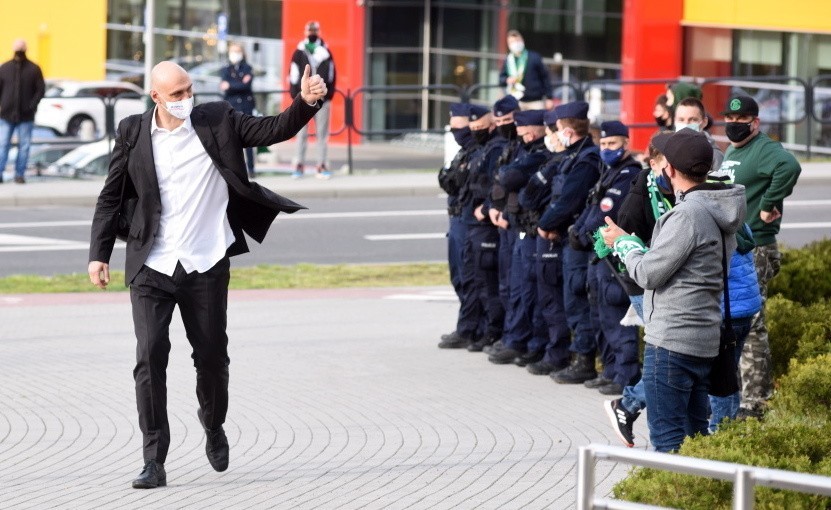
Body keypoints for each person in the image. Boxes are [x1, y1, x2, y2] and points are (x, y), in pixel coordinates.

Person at [88, 61, 327, 488]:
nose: (186, 100)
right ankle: (154, 459)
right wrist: (98, 254)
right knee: (149, 356)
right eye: (176, 94)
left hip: (206, 262)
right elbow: (111, 196)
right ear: (156, 97)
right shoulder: (131, 131)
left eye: (189, 90)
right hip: (152, 264)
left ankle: (213, 423)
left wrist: (305, 103)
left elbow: (273, 129)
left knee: (212, 357)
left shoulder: (218, 118)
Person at [602, 128, 746, 453]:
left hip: (672, 343)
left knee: (668, 442)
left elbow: (647, 273)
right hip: (703, 336)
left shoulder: (687, 215)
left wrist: (624, 243)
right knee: (695, 439)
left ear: (669, 170)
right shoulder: (718, 206)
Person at [718, 94, 801, 419]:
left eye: (741, 121)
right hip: (738, 247)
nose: (734, 125)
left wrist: (769, 204)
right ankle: (741, 394)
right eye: (730, 119)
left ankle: (756, 402)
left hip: (758, 246)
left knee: (752, 325)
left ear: (755, 122)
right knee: (737, 322)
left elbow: (790, 166)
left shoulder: (765, 149)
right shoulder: (733, 149)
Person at [569, 120, 641, 395]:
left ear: (625, 143)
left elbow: (605, 214)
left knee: (616, 317)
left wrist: (584, 231)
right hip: (599, 255)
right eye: (604, 144)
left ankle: (626, 375)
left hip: (614, 256)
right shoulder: (608, 172)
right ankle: (611, 370)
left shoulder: (627, 174)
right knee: (600, 315)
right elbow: (593, 207)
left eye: (612, 144)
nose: (607, 148)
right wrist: (578, 230)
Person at [536, 101, 602, 385]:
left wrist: (545, 224)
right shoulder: (572, 156)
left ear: (566, 129)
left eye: (558, 128)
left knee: (576, 299)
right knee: (569, 299)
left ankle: (584, 360)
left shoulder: (585, 160)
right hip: (566, 236)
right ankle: (580, 357)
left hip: (577, 241)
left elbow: (568, 202)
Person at [289, 20, 336, 179]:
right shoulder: (299, 52)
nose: (311, 33)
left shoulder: (325, 51)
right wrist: (296, 96)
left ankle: (321, 165)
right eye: (309, 30)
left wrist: (327, 96)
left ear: (318, 31)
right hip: (303, 99)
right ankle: (299, 165)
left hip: (322, 100)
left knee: (322, 134)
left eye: (314, 30)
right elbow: (293, 75)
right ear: (305, 32)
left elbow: (331, 75)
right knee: (301, 133)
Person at [0, 39, 45, 184]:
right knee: (3, 144)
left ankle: (19, 175)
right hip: (6, 114)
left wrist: (32, 106)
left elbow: (40, 90)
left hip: (26, 115)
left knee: (24, 147)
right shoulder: (5, 68)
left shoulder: (33, 68)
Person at [221, 42, 257, 178]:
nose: (235, 54)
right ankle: (233, 170)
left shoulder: (247, 67)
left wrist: (231, 85)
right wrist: (240, 84)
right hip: (231, 107)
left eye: (237, 51)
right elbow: (225, 85)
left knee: (248, 139)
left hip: (246, 106)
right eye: (233, 51)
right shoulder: (226, 68)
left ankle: (251, 168)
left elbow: (246, 86)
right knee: (231, 139)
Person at [498, 30, 553, 111]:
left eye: (517, 40)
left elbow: (545, 77)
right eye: (512, 42)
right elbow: (501, 78)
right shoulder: (509, 60)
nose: (515, 44)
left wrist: (549, 97)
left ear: (522, 41)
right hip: (516, 101)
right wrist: (507, 80)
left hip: (535, 101)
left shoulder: (534, 57)